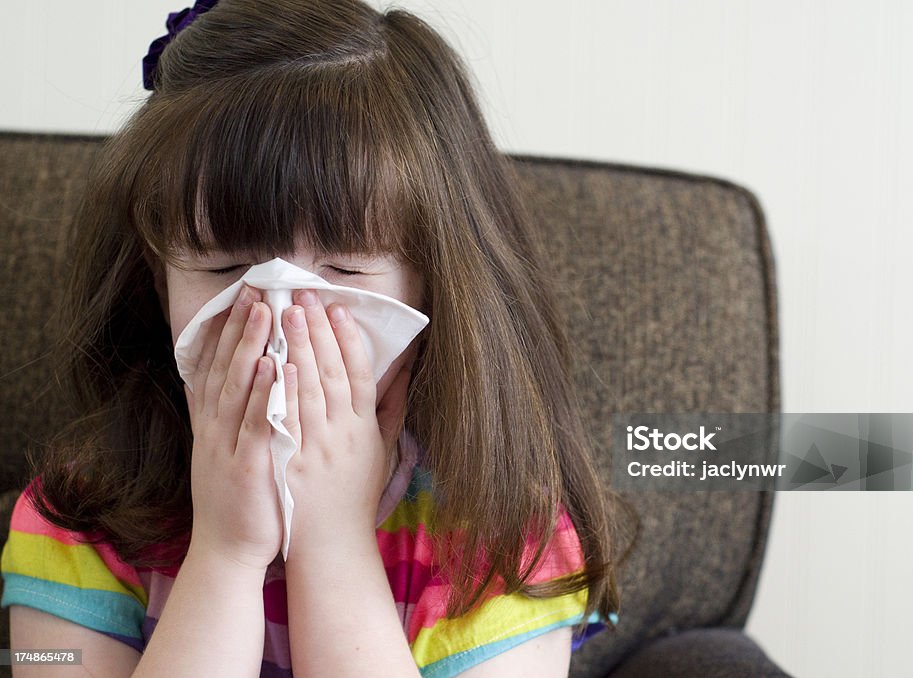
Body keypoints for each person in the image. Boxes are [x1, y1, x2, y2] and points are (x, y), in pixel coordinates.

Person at [0, 0, 637, 675]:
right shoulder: (75, 517)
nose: (279, 317)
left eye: (346, 270)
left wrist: (331, 544)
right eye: (222, 268)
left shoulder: (502, 538)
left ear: (438, 281)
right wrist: (226, 553)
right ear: (157, 282)